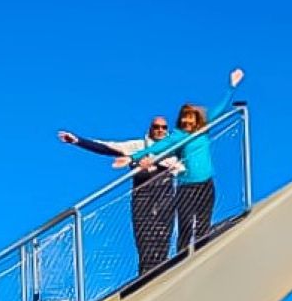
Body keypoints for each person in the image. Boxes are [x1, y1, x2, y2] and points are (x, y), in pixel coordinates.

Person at [117, 68, 244, 259]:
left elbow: (220, 107)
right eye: (184, 119)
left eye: (190, 118)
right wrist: (133, 158)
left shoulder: (203, 128)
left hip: (206, 184)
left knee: (202, 223)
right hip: (187, 187)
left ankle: (201, 256)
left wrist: (231, 86)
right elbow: (158, 147)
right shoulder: (178, 136)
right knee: (185, 225)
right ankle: (182, 259)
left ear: (196, 119)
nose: (187, 122)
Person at [57, 117, 180, 276]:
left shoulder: (174, 148)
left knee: (163, 233)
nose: (160, 130)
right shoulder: (136, 146)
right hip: (142, 194)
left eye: (164, 127)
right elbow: (106, 147)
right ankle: (146, 271)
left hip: (165, 192)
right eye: (156, 127)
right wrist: (78, 141)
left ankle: (161, 265)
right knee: (143, 234)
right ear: (150, 128)